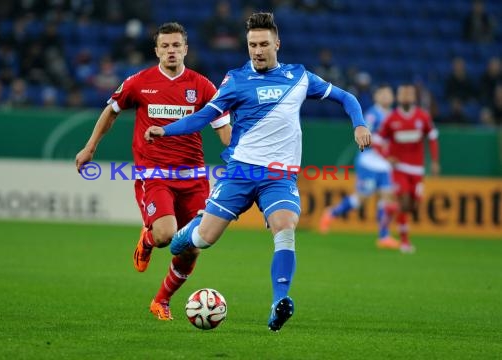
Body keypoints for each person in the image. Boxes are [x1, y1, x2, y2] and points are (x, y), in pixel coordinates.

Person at [144, 12, 371, 331]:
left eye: (264, 43)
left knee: (286, 227)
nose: (258, 50)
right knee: (203, 239)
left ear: (277, 43)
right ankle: (183, 236)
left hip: (278, 177)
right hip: (240, 173)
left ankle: (279, 300)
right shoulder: (235, 80)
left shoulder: (299, 77)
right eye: (252, 45)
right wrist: (165, 131)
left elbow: (346, 97)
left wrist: (359, 123)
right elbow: (204, 116)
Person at [75, 22, 231, 321]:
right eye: (165, 46)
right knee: (165, 235)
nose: (171, 51)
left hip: (193, 178)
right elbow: (111, 111)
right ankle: (147, 240)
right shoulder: (139, 82)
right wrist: (90, 147)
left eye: (176, 46)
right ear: (156, 50)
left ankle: (161, 301)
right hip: (154, 174)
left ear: (185, 49)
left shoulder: (202, 86)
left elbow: (223, 129)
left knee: (191, 248)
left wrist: (238, 152)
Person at [319, 85, 399, 249]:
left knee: (387, 198)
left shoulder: (393, 116)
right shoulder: (371, 115)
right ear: (376, 96)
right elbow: (368, 137)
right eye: (383, 93)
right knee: (361, 198)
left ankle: (384, 236)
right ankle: (331, 213)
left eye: (389, 93)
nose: (386, 96)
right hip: (369, 161)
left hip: (384, 165)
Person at [373, 84, 440, 254]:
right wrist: (386, 157)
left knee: (413, 207)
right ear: (398, 97)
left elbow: (432, 137)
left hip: (417, 169)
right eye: (403, 94)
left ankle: (388, 210)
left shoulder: (422, 117)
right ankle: (404, 242)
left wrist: (434, 161)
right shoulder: (392, 118)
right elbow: (377, 141)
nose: (406, 97)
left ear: (414, 97)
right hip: (399, 168)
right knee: (403, 202)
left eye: (409, 94)